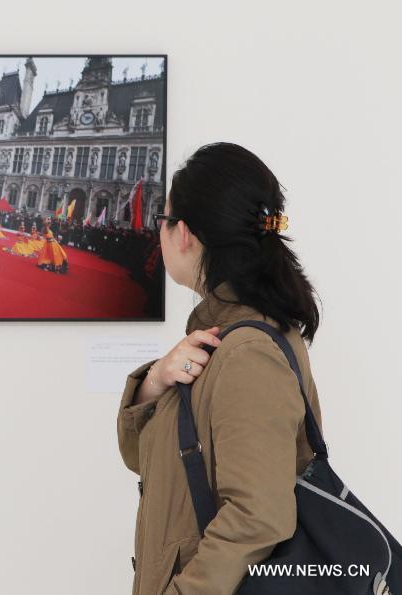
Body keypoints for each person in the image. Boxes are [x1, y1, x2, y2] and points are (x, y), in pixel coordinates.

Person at [117, 143, 323, 594]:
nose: (161, 234)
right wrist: (155, 382)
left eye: (163, 222)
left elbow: (258, 516)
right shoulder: (220, 339)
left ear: (184, 233)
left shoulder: (246, 353)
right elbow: (143, 459)